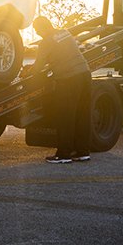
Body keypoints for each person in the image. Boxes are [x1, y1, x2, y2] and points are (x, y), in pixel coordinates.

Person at [27, 16, 92, 164]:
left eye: (37, 30)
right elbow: (62, 54)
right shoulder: (65, 33)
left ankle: (64, 154)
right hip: (85, 74)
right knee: (82, 114)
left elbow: (38, 67)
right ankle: (83, 152)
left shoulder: (46, 42)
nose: (37, 34)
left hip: (69, 79)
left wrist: (27, 72)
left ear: (43, 27)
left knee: (66, 116)